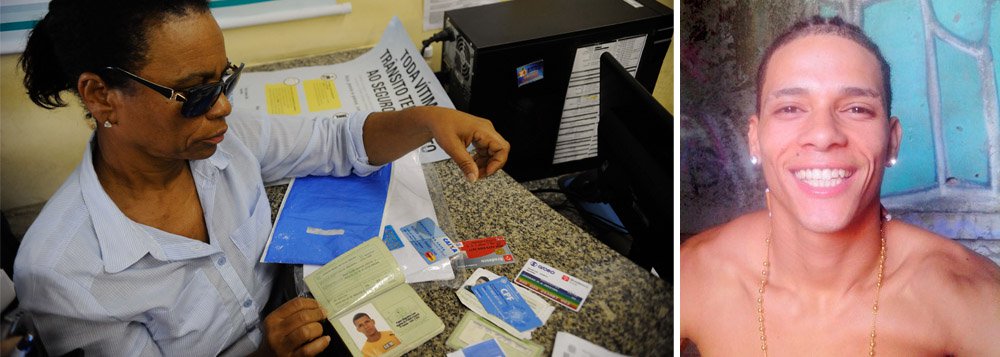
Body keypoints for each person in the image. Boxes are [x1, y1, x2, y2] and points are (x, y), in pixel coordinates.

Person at [11, 0, 509, 356]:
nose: (224, 106)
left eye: (225, 79)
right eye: (195, 94)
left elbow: (334, 142)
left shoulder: (223, 137)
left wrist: (425, 120)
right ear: (100, 96)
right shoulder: (63, 276)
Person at [680, 16, 1000, 355]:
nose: (823, 134)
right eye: (790, 108)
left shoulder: (971, 295)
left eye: (857, 109)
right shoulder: (697, 272)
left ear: (892, 142)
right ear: (755, 139)